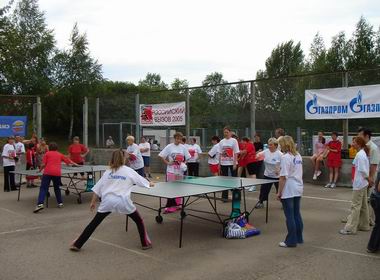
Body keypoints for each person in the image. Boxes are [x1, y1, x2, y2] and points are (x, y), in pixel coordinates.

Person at [70, 150, 153, 251]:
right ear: (124, 158)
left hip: (107, 202)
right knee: (139, 221)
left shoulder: (108, 171)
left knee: (93, 223)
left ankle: (77, 244)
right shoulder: (129, 170)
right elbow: (142, 182)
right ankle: (145, 243)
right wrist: (150, 184)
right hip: (123, 202)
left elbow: (98, 188)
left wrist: (93, 202)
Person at [33, 142, 76, 213]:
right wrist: (75, 164)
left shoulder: (47, 154)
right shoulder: (60, 154)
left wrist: (40, 170)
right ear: (57, 148)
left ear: (49, 148)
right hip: (57, 173)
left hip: (47, 173)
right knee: (57, 188)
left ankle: (40, 204)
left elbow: (43, 164)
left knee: (43, 188)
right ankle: (60, 203)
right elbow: (68, 161)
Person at [340, 136, 370, 235]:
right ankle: (364, 225)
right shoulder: (362, 154)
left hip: (359, 184)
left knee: (355, 206)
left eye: (354, 142)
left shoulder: (360, 155)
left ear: (359, 144)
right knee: (363, 205)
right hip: (363, 183)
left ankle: (350, 228)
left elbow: (362, 170)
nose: (352, 144)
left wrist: (368, 178)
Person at [277, 136, 304, 248]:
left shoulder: (285, 157)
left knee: (290, 216)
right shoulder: (298, 155)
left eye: (280, 144)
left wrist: (279, 192)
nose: (279, 146)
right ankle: (298, 237)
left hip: (289, 188)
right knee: (296, 214)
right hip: (298, 186)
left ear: (284, 144)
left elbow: (283, 177)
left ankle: (291, 241)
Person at [159, 132, 191, 213]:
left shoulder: (183, 147)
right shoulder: (169, 146)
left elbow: (188, 157)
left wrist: (184, 163)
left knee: (179, 188)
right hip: (171, 171)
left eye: (180, 139)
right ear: (174, 138)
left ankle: (178, 205)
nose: (179, 140)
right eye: (177, 138)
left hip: (179, 172)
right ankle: (170, 206)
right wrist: (167, 162)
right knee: (171, 189)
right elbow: (161, 155)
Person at [358, 127, 380, 226]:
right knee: (362, 199)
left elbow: (374, 165)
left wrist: (370, 179)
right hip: (364, 176)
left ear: (366, 136)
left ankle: (370, 220)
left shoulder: (373, 148)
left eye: (360, 135)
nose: (359, 137)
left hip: (371, 176)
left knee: (370, 199)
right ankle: (361, 219)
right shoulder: (363, 147)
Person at [256, 138, 282, 209]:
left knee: (281, 191)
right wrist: (257, 155)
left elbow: (284, 165)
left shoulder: (280, 154)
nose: (269, 146)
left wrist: (279, 170)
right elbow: (258, 155)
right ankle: (261, 202)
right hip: (267, 175)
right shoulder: (266, 152)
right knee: (263, 190)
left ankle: (284, 204)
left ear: (276, 146)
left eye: (271, 145)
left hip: (277, 177)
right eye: (268, 144)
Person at [218, 127, 240, 201]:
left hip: (232, 163)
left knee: (234, 180)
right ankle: (224, 197)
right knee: (224, 180)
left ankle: (236, 197)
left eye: (227, 132)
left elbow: (236, 153)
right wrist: (219, 164)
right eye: (224, 132)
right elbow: (220, 153)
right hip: (224, 163)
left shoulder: (234, 141)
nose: (226, 134)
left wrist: (234, 163)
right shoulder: (221, 142)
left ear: (230, 133)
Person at [367, 173, 380, 253]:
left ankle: (374, 246)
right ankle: (372, 246)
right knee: (379, 224)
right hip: (377, 199)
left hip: (376, 198)